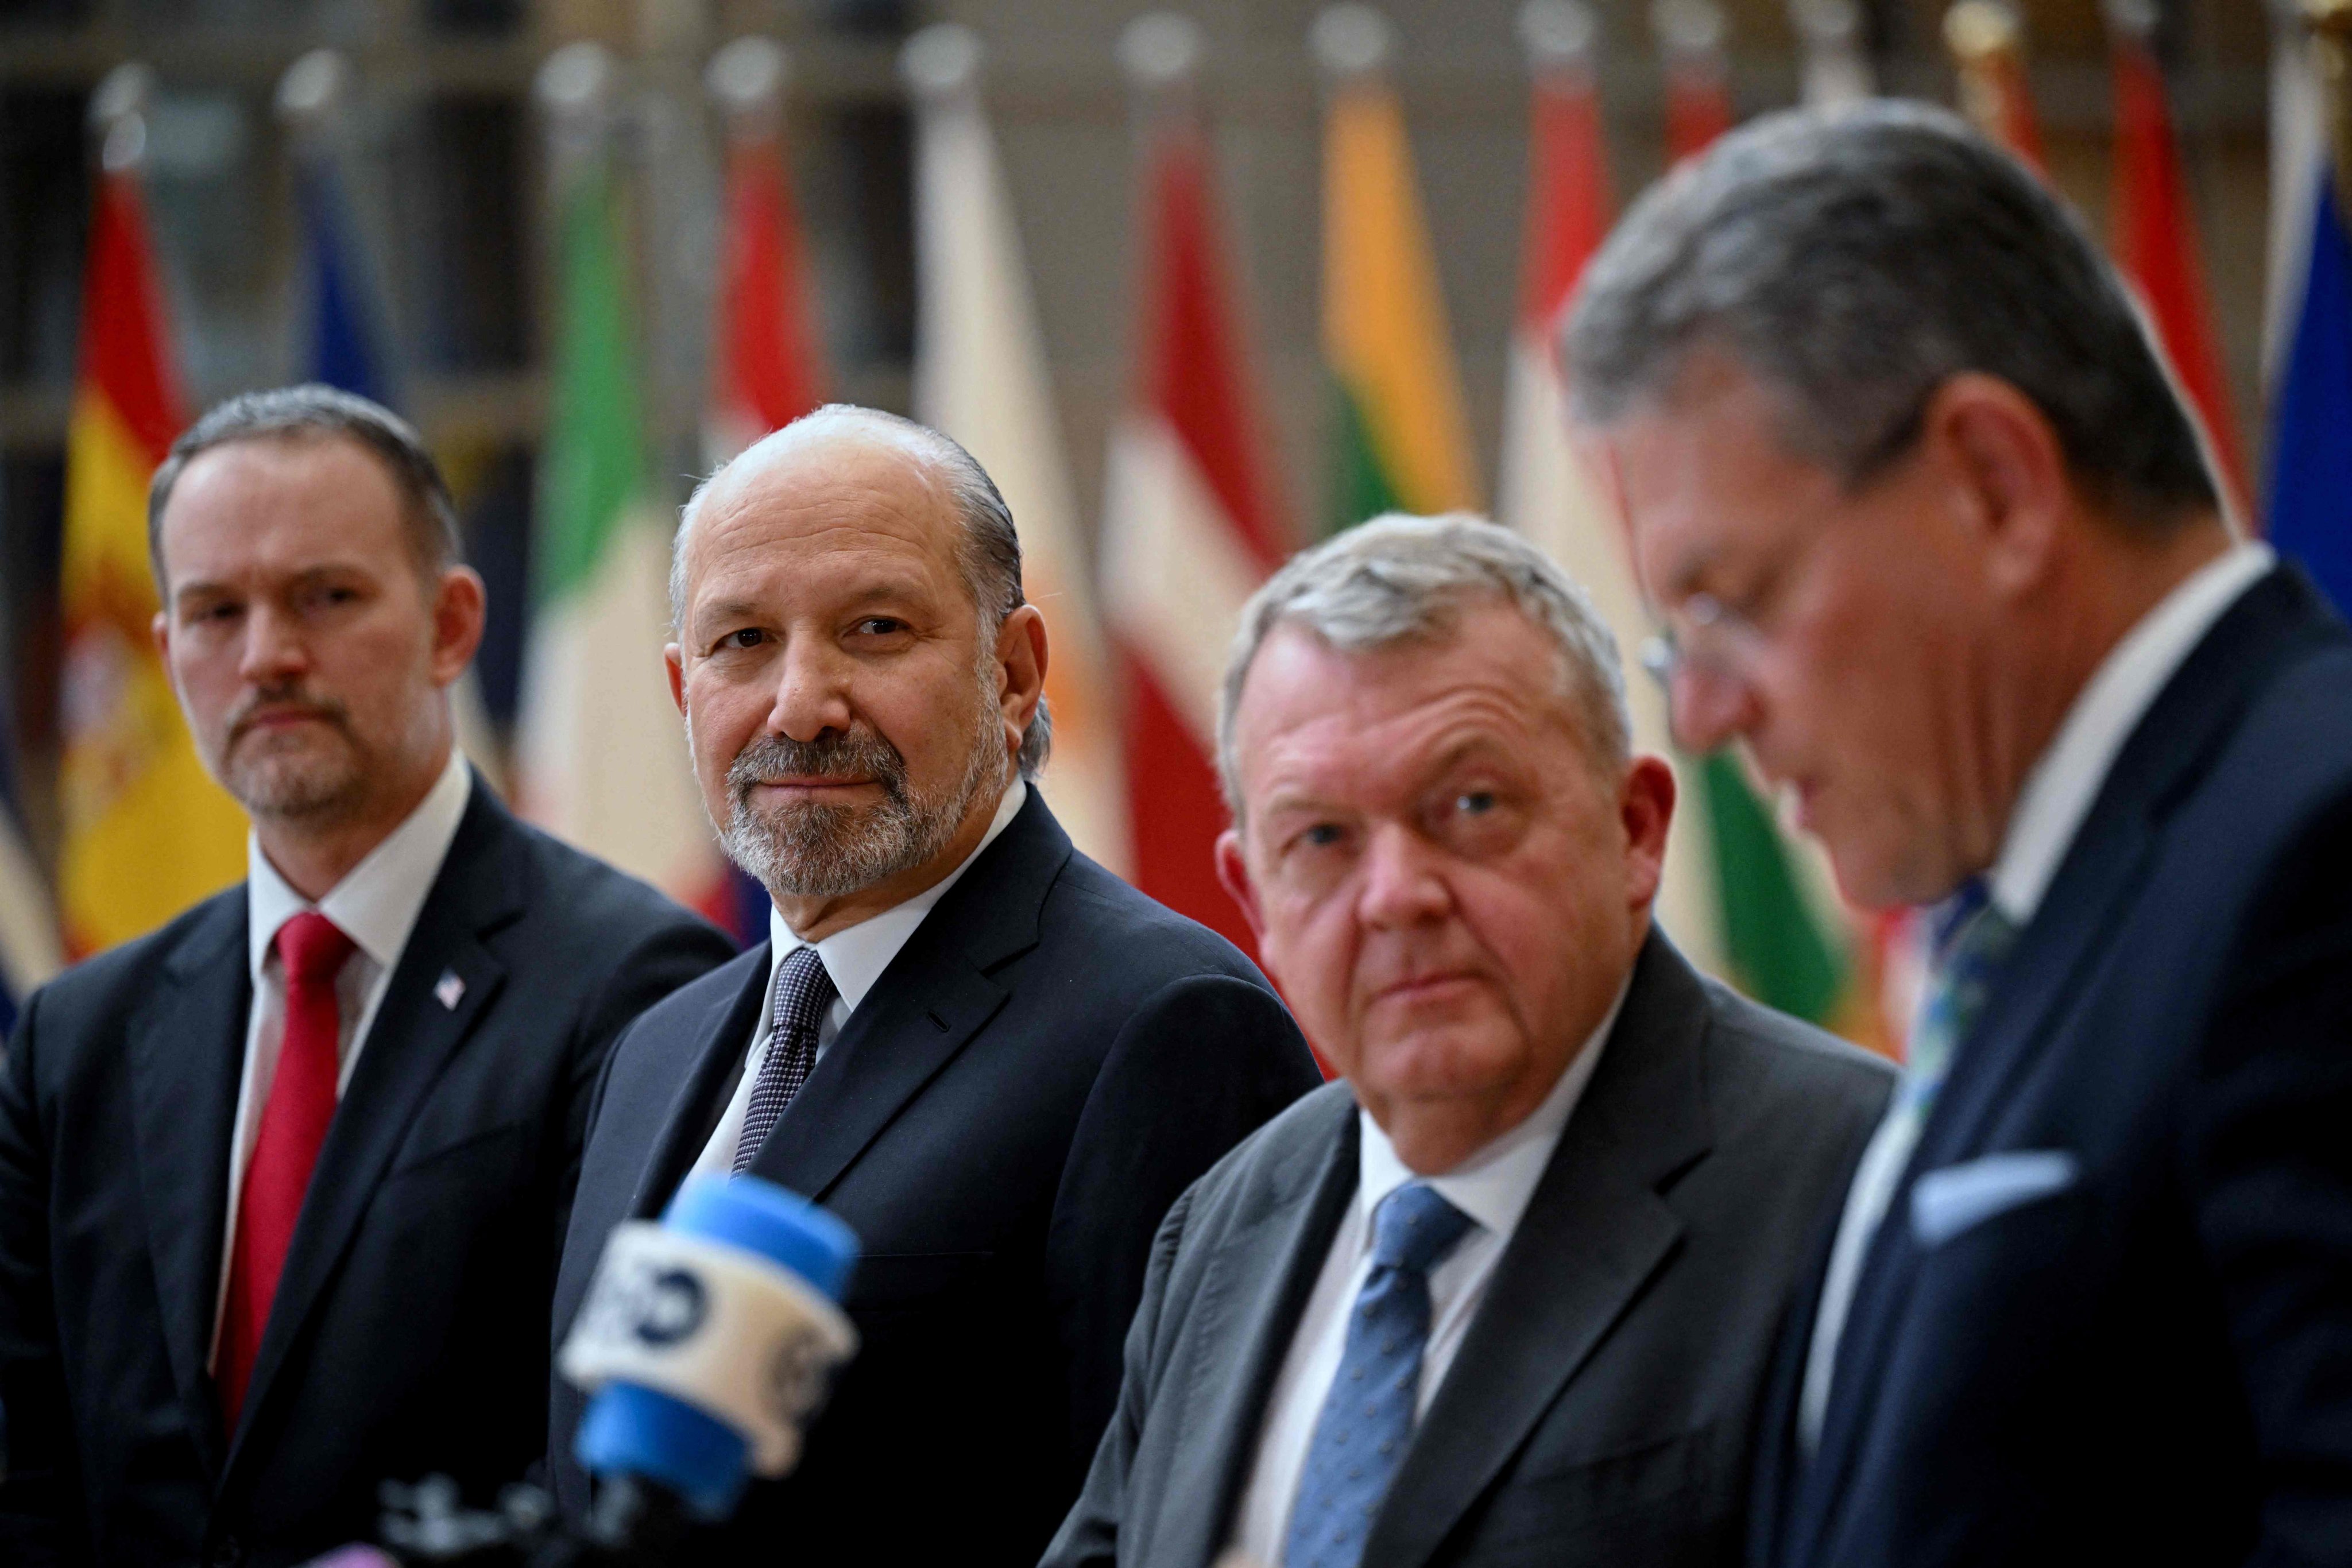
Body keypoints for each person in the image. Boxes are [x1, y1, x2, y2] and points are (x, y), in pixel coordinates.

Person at [1563, 99, 2352, 1567]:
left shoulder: (2310, 847)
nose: (1706, 717)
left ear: (1991, 484)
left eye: (1728, 600)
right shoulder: (2033, 919)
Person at [547, 405, 1320, 1565]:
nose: (799, 705)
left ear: (1012, 673)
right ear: (679, 689)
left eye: (872, 629)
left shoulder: (1163, 1025)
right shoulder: (653, 1052)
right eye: (741, 642)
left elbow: (1183, 1527)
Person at [1045, 515, 1892, 1568]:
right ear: (1253, 901)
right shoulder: (1225, 1221)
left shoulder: (1863, 1185)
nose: (1398, 896)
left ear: (1635, 830)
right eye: (1321, 839)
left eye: (1472, 805)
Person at [0, 385, 733, 1568]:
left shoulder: (639, 987)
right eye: (214, 611)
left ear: (451, 624)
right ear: (165, 649)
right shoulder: (76, 1035)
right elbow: (28, 1476)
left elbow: (615, 1479)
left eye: (324, 597)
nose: (266, 655)